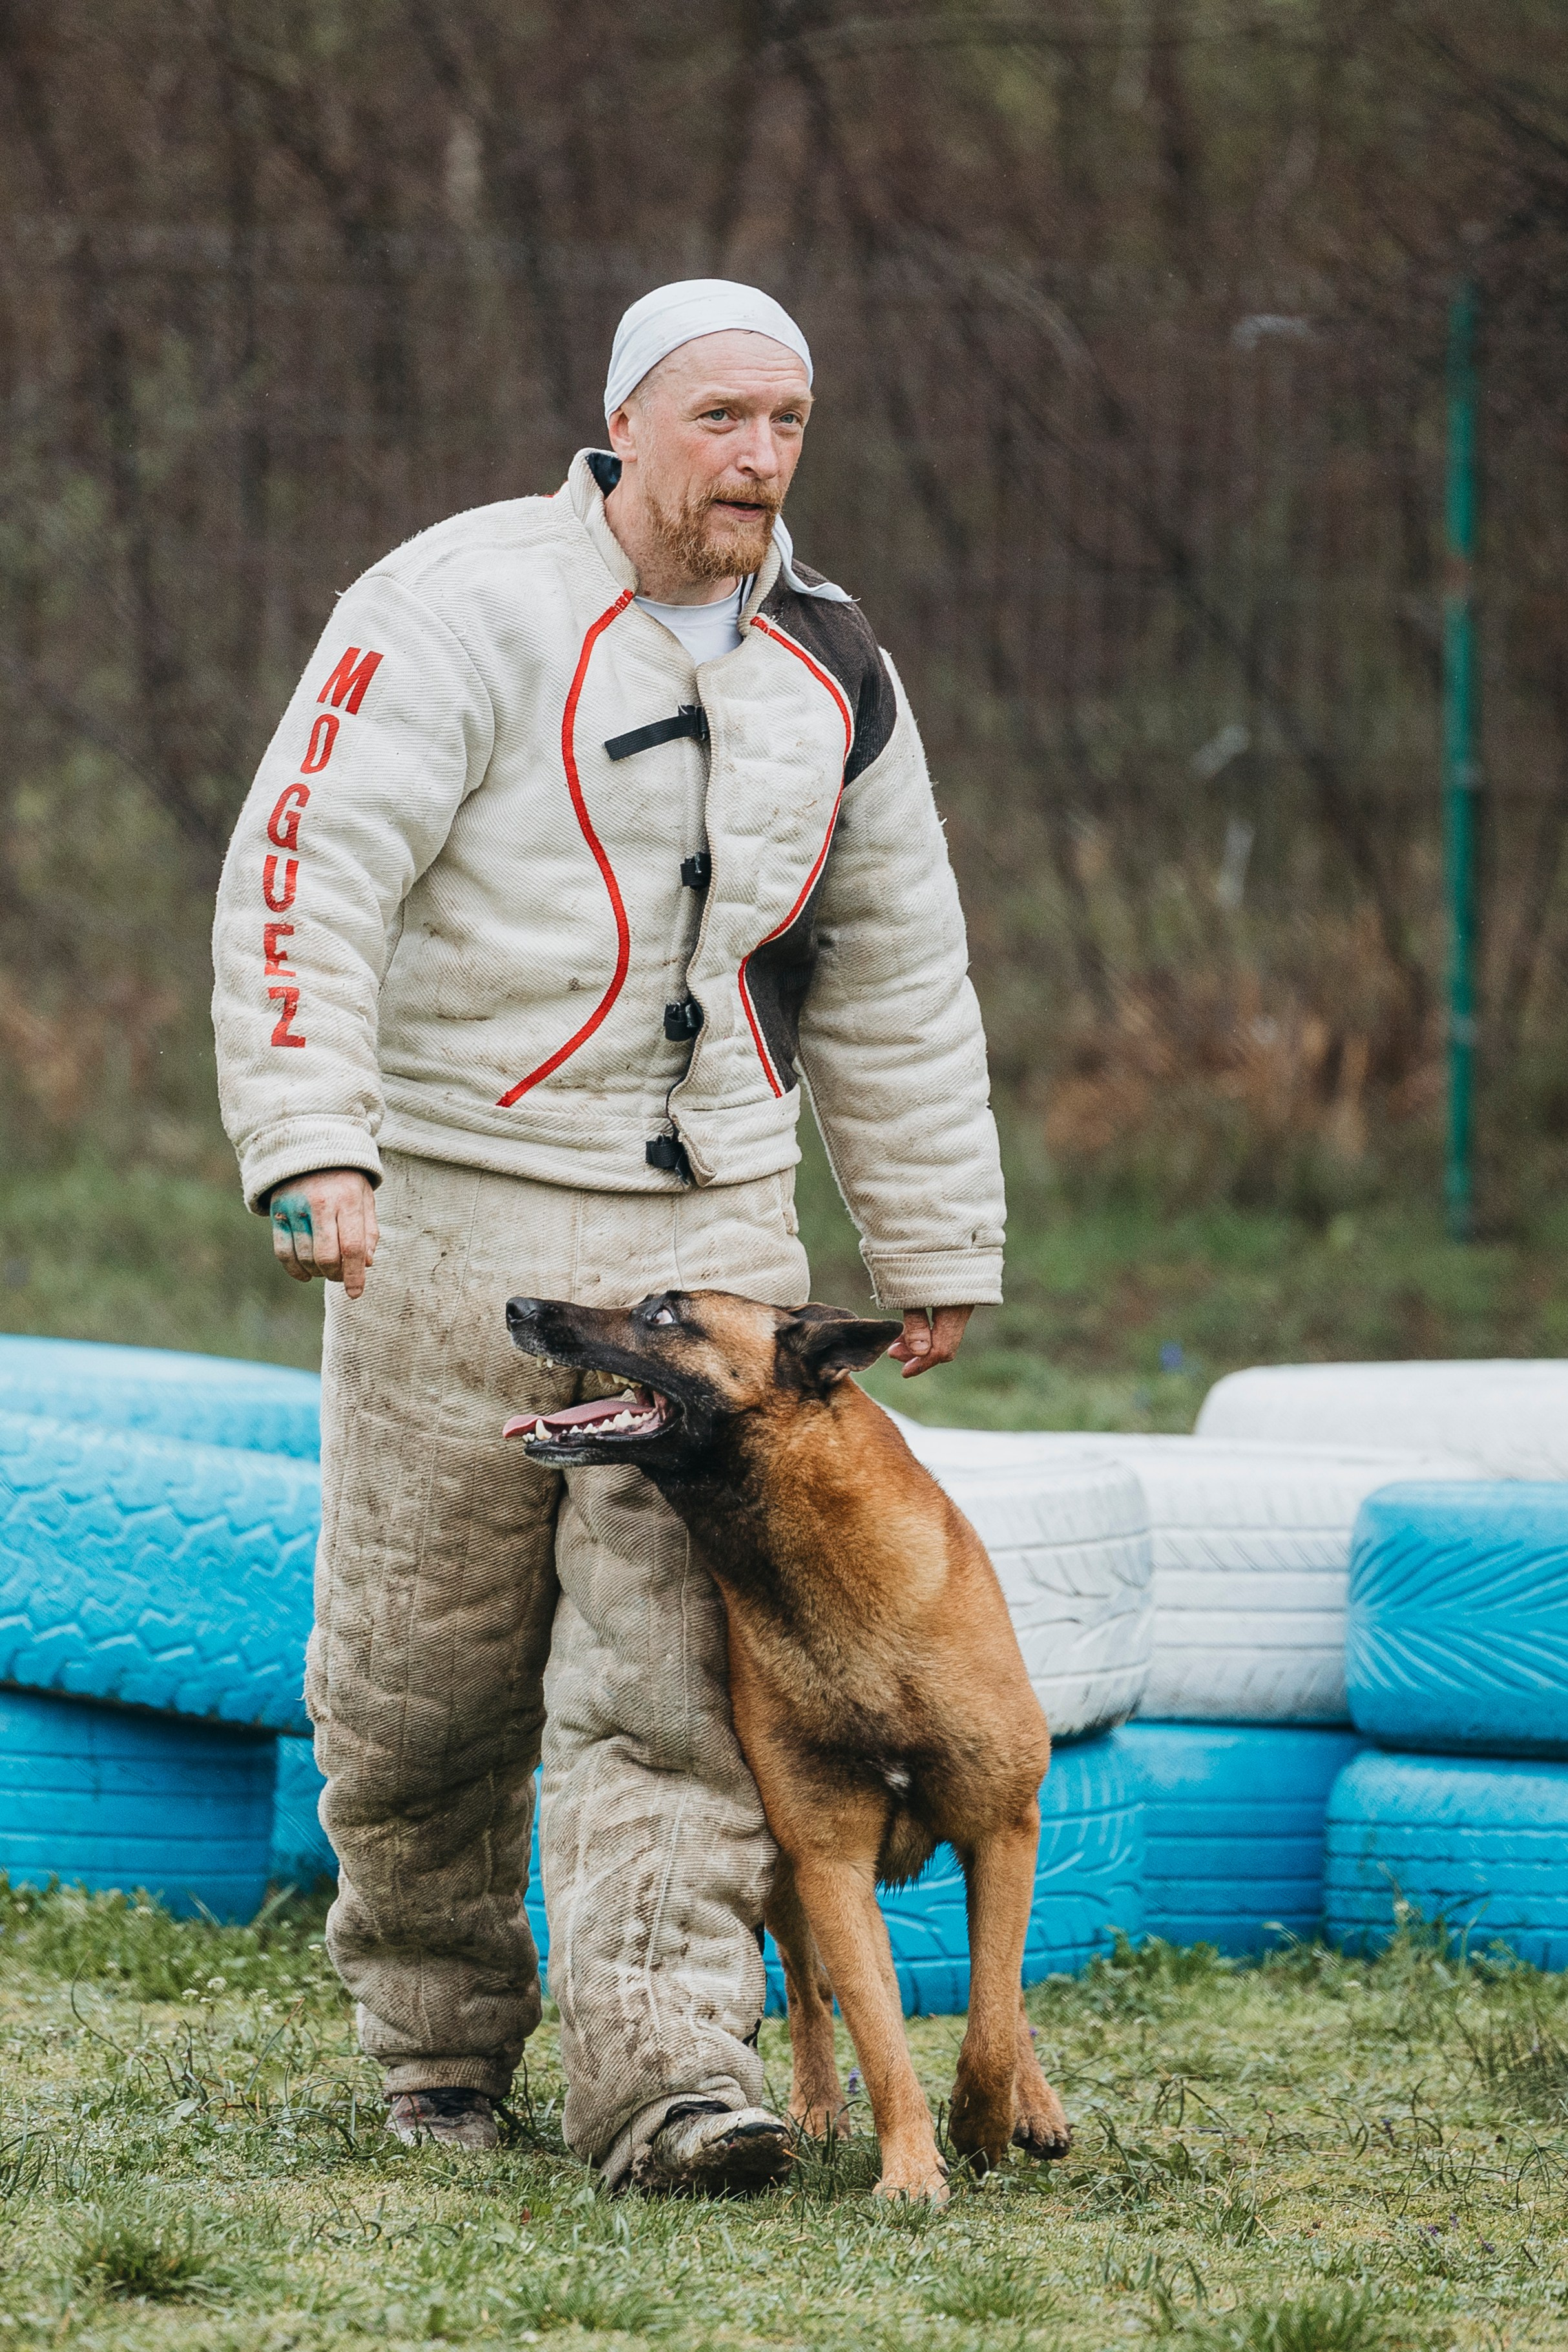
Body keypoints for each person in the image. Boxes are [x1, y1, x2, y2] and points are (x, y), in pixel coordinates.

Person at [211, 278, 1005, 2189]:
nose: (757, 458)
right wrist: (314, 1143)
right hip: (455, 1208)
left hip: (714, 1226)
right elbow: (304, 869)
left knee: (679, 1688)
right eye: (721, 417)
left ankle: (671, 2086)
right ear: (626, 423)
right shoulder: (453, 603)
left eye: (787, 424)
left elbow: (897, 964)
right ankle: (437, 2044)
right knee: (421, 1682)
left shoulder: (831, 660)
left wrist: (932, 1239)